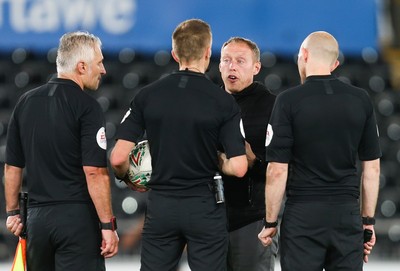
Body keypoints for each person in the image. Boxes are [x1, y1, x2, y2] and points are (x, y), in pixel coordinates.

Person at [110, 19, 248, 271]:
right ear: (208, 52)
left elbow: (118, 158)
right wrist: (218, 160)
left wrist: (128, 178)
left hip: (162, 205)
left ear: (174, 54)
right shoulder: (224, 102)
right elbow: (239, 167)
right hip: (204, 206)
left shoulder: (147, 95)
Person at [258, 31, 381, 271]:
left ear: (303, 55)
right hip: (346, 215)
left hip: (303, 216)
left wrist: (271, 221)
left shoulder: (287, 101)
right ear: (335, 64)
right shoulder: (361, 99)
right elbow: (372, 169)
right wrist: (367, 222)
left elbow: (276, 171)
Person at [4, 31, 119, 271]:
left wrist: (13, 212)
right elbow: (95, 172)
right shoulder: (87, 106)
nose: (104, 70)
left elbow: (12, 167)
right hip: (76, 221)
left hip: (36, 223)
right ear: (81, 66)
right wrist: (108, 226)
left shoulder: (25, 102)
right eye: (99, 63)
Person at [219, 37, 277, 271]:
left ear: (256, 67)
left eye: (240, 61)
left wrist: (255, 161)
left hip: (251, 220)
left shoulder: (274, 107)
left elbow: (286, 167)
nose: (232, 66)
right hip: (208, 220)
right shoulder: (207, 103)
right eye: (226, 60)